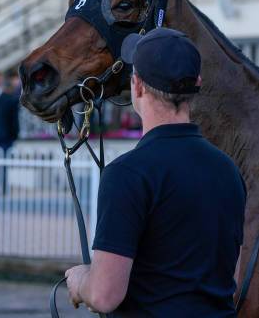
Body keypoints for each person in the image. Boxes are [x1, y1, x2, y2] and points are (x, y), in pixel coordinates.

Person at [65, 28, 246, 316]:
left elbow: (104, 295)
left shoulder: (127, 174)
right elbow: (230, 279)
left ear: (137, 86)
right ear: (196, 84)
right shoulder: (228, 170)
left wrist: (79, 281)